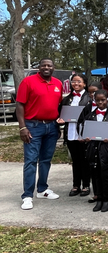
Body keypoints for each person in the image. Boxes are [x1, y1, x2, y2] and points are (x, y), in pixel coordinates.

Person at [16, 58, 63, 210]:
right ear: (39, 67)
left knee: (46, 160)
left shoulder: (58, 83)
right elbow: (20, 104)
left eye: (49, 65)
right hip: (33, 126)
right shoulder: (28, 82)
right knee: (30, 161)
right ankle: (27, 195)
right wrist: (22, 127)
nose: (46, 67)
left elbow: (58, 104)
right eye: (43, 65)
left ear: (53, 68)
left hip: (52, 126)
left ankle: (42, 189)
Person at [78, 89, 108, 212]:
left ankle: (107, 199)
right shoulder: (89, 116)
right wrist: (85, 137)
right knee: (95, 174)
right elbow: (82, 128)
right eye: (97, 100)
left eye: (103, 100)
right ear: (94, 101)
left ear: (107, 100)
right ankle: (99, 198)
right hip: (93, 148)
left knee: (105, 174)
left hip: (106, 149)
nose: (100, 103)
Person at [57, 73, 91, 197]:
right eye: (73, 82)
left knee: (85, 160)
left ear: (85, 84)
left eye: (79, 81)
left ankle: (86, 185)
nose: (76, 84)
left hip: (82, 133)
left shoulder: (89, 99)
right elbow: (61, 113)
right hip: (71, 132)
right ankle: (76, 185)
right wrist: (60, 120)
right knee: (75, 160)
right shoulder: (67, 99)